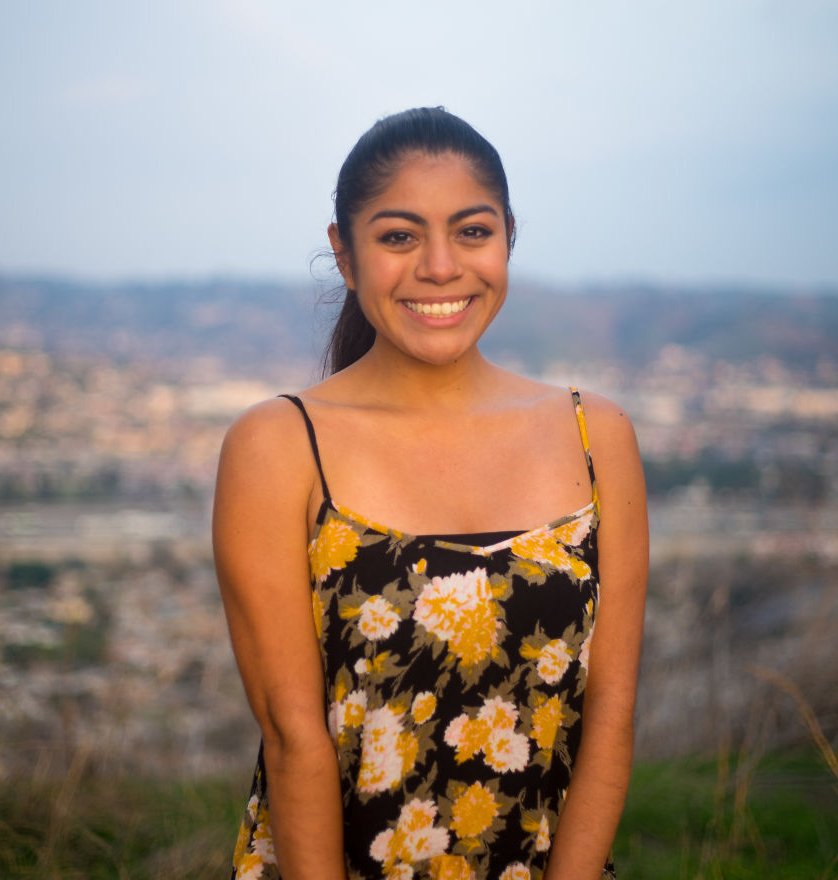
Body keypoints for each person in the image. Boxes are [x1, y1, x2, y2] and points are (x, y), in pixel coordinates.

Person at [213, 107, 648, 880]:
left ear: (508, 236)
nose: (441, 267)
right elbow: (292, 735)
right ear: (344, 255)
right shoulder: (279, 446)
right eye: (399, 236)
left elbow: (610, 712)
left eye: (472, 231)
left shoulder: (597, 437)